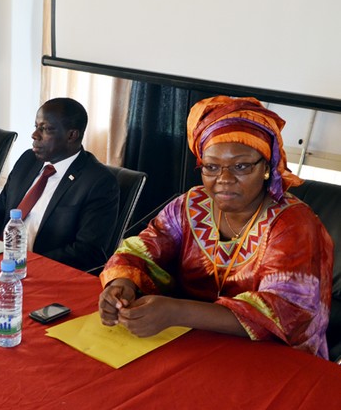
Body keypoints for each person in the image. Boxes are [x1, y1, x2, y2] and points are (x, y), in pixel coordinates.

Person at [98, 96, 333, 358]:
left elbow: (284, 311)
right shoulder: (190, 205)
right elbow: (141, 251)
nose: (224, 179)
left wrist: (177, 311)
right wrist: (121, 285)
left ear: (266, 167)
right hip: (190, 341)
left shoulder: (293, 224)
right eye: (211, 167)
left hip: (268, 357)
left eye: (241, 166)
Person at [0, 97, 119, 271]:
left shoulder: (99, 182)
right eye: (36, 127)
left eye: (45, 129)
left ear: (71, 135)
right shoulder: (28, 160)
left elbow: (87, 251)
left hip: (42, 271)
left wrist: (27, 263)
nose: (34, 135)